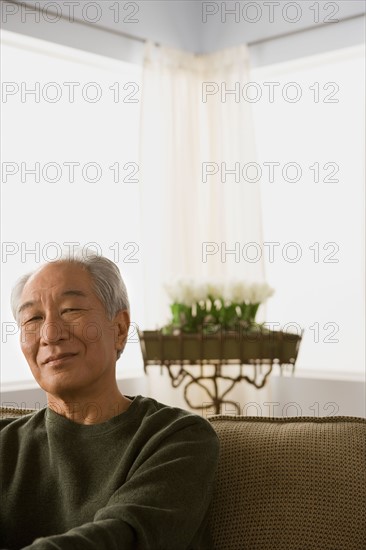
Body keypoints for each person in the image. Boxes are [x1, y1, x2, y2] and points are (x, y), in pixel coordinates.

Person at [0, 251, 219, 550]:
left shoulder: (179, 437)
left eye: (70, 310)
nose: (50, 333)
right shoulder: (5, 443)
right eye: (33, 318)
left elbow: (121, 537)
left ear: (119, 329)